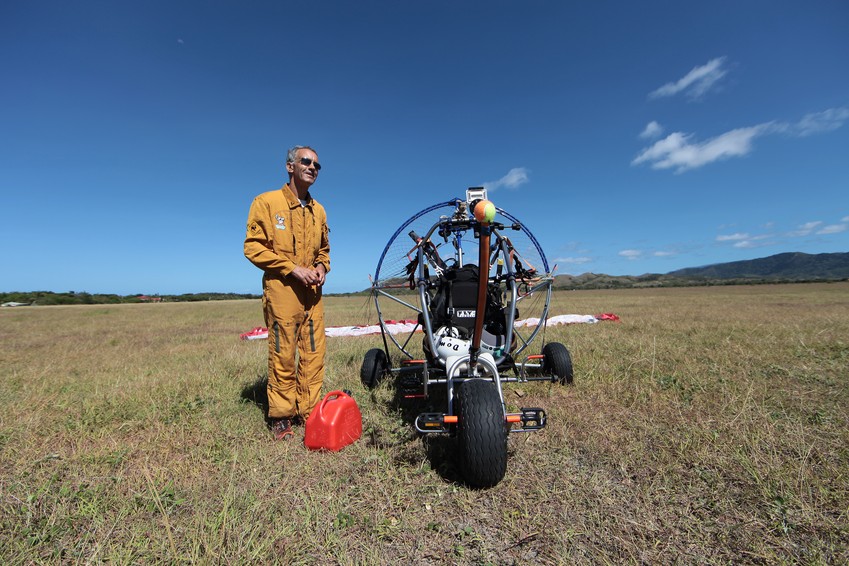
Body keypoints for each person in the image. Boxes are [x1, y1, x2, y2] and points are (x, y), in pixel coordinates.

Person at [244, 145, 330, 440]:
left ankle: (309, 410)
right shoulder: (266, 202)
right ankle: (282, 415)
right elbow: (253, 247)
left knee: (314, 351)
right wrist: (292, 269)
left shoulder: (319, 211)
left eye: (317, 165)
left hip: (313, 294)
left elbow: (324, 250)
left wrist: (321, 267)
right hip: (282, 291)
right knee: (283, 352)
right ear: (290, 166)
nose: (312, 167)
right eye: (306, 161)